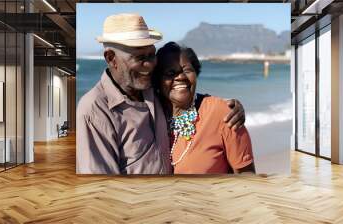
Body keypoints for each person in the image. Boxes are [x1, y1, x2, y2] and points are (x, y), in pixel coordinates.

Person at [76, 13, 246, 174]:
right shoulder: (94, 111)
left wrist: (226, 106)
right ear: (112, 58)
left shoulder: (151, 89)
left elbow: (183, 94)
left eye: (151, 55)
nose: (150, 65)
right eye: (140, 58)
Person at [153, 42, 254, 174]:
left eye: (187, 70)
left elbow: (247, 176)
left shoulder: (225, 114)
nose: (181, 77)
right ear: (158, 81)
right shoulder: (150, 114)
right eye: (170, 73)